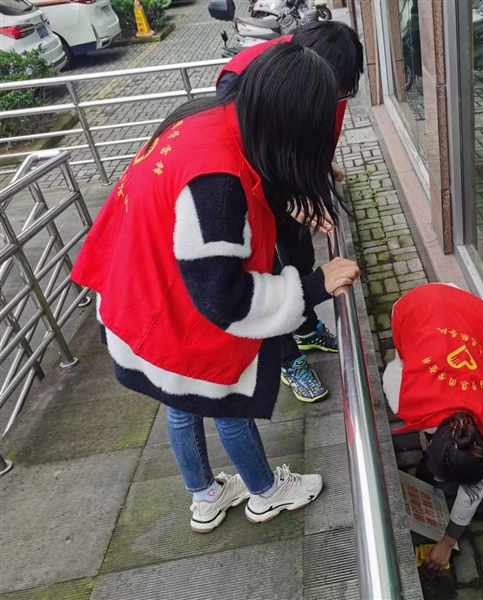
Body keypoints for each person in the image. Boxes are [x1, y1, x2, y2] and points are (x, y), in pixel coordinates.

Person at [70, 43, 361, 533]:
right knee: (225, 401)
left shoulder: (204, 117)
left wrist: (290, 197)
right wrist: (313, 286)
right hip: (175, 309)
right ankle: (265, 494)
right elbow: (225, 298)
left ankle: (205, 497)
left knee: (179, 404)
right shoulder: (218, 182)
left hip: (140, 293)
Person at [217, 21, 364, 403]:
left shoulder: (328, 78)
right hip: (251, 192)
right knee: (265, 274)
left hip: (286, 181)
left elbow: (309, 133)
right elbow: (246, 161)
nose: (336, 99)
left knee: (299, 254)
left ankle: (306, 326)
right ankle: (286, 358)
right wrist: (286, 201)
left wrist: (316, 165)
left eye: (342, 92)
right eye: (333, 92)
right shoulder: (243, 84)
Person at [383, 283, 483, 570]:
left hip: (476, 316)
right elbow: (397, 365)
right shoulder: (402, 394)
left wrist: (448, 540)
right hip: (416, 306)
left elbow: (476, 488)